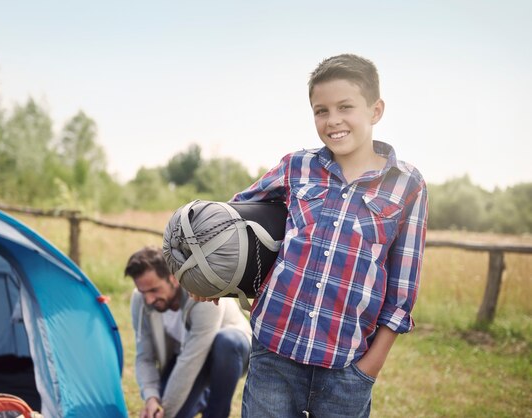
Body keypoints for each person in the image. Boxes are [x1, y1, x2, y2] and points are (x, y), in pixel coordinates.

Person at [197, 54, 428, 417]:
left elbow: (402, 289)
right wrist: (213, 274)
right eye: (321, 110)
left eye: (345, 107)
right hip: (274, 351)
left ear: (376, 110)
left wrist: (369, 368)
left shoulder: (407, 184)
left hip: (346, 366)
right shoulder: (296, 166)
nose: (333, 120)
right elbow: (231, 220)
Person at [125, 246, 252, 418]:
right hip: (184, 355)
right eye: (143, 292)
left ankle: (215, 412)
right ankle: (201, 396)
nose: (149, 299)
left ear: (174, 279)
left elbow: (191, 360)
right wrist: (151, 398)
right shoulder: (140, 301)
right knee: (168, 406)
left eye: (154, 290)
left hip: (230, 351)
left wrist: (167, 412)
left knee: (225, 342)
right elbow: (144, 357)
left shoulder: (202, 293)